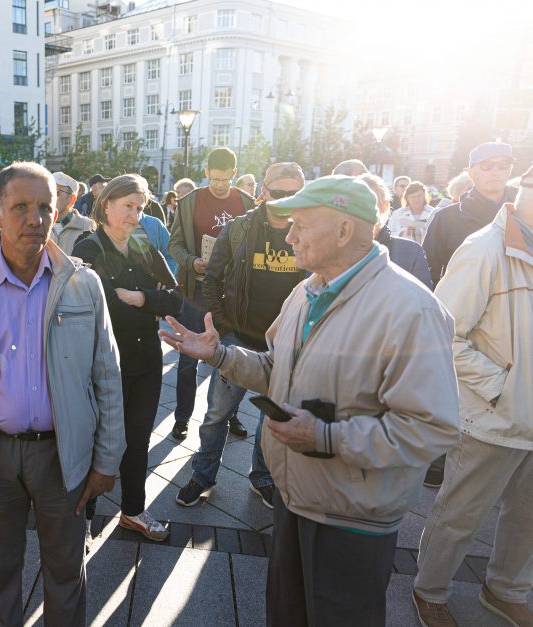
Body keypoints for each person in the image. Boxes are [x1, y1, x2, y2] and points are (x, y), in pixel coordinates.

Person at [160, 175, 460, 625]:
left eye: (300, 223)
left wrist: (324, 437)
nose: (288, 233)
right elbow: (275, 368)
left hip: (351, 519)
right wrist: (220, 355)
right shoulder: (307, 289)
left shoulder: (410, 308)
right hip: (295, 498)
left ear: (344, 231)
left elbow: (431, 428)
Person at [0, 162, 125, 626]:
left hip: (65, 455)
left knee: (66, 574)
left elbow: (108, 378)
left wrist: (106, 460)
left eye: (45, 208)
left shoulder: (83, 284)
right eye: (20, 207)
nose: (35, 218)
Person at [412, 165, 533, 627]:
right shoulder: (484, 249)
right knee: (460, 512)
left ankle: (505, 590)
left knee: (528, 519)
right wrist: (500, 387)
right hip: (493, 416)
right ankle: (430, 590)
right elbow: (442, 333)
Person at [178, 162, 306, 510]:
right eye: (278, 193)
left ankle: (262, 477)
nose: (285, 200)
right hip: (238, 339)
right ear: (264, 191)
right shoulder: (238, 230)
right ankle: (203, 475)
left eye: (294, 194)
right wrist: (224, 329)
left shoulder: (307, 232)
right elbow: (213, 279)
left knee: (270, 417)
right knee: (218, 413)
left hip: (283, 345)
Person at [72, 174, 180, 541]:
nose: (135, 215)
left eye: (140, 207)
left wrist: (142, 298)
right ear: (106, 205)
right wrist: (147, 299)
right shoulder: (88, 249)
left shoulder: (143, 244)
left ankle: (133, 511)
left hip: (146, 359)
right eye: (128, 206)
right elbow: (98, 309)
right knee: (95, 440)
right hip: (102, 362)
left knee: (137, 440)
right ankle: (83, 518)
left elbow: (174, 298)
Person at [168, 147, 255, 441]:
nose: (219, 185)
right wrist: (193, 262)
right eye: (214, 179)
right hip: (196, 292)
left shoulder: (247, 203)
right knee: (187, 360)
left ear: (234, 173)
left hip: (233, 295)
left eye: (225, 179)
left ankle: (231, 416)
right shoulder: (190, 202)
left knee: (233, 358)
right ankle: (182, 418)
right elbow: (174, 244)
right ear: (206, 173)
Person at [423, 142, 517, 285]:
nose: (495, 171)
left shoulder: (525, 213)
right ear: (471, 173)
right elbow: (427, 273)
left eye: (503, 165)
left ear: (510, 170)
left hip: (520, 304)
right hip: (464, 304)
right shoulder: (446, 219)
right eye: (486, 165)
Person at [359, 173, 433, 289]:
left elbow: (422, 301)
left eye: (419, 196)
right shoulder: (331, 249)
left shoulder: (411, 252)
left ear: (385, 206)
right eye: (413, 197)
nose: (360, 209)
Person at [50, 171, 95, 255]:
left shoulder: (87, 226)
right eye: (47, 190)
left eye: (56, 192)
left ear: (72, 199)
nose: (49, 196)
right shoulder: (38, 224)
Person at [388, 180, 437, 245]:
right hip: (404, 250)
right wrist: (402, 233)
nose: (416, 199)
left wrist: (429, 235)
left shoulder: (433, 213)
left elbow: (440, 234)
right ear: (407, 198)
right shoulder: (397, 214)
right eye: (413, 197)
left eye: (419, 196)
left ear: (424, 196)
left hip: (427, 251)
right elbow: (388, 234)